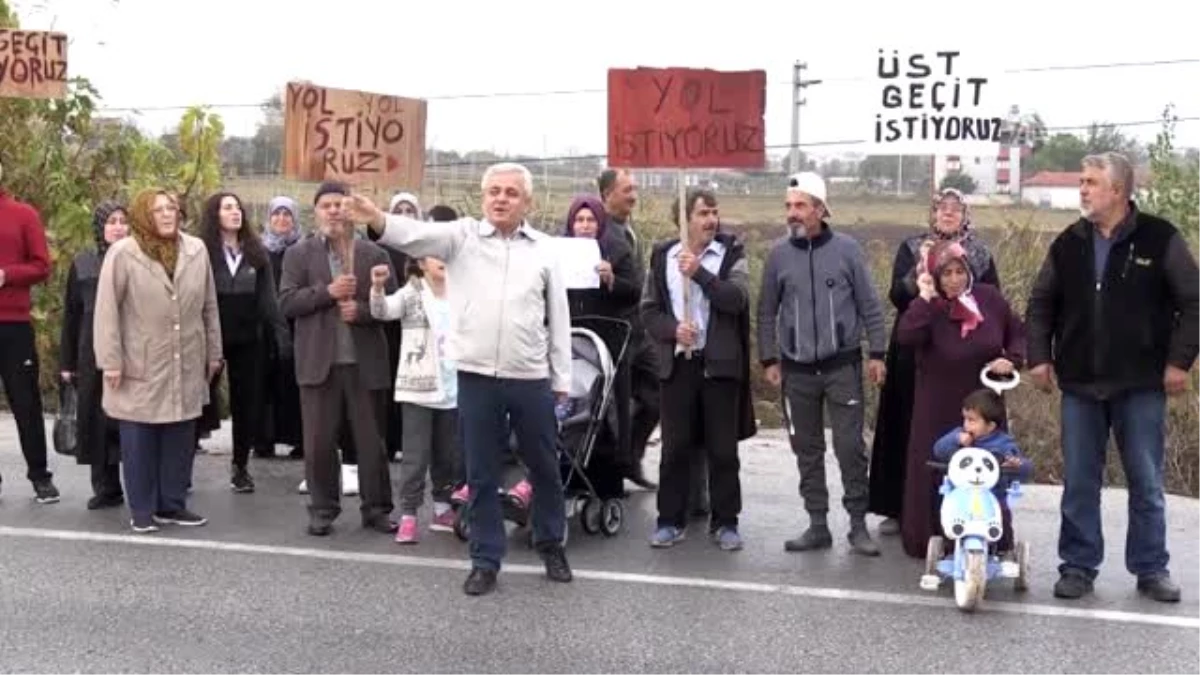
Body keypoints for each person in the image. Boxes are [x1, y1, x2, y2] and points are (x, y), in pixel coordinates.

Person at [343, 162, 573, 597]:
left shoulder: (543, 250)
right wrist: (376, 218)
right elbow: (412, 235)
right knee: (482, 474)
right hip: (476, 376)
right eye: (494, 192)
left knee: (544, 467)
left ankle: (550, 544)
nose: (501, 199)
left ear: (528, 202)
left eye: (510, 192)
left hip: (531, 377)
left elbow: (558, 318)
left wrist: (561, 376)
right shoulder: (461, 237)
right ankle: (486, 559)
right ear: (483, 198)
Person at [1026, 151, 1200, 603]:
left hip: (1141, 384)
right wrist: (1038, 358)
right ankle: (1078, 567)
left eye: (1090, 182)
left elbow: (1194, 302)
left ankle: (1151, 568)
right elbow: (1042, 302)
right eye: (1081, 181)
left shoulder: (1160, 238)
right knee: (1081, 481)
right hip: (1080, 385)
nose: (1082, 189)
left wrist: (1179, 362)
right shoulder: (1069, 242)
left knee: (1145, 480)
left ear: (1118, 191)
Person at [757, 172, 887, 557]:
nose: (792, 213)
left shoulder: (847, 250)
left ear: (820, 209)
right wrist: (769, 358)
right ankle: (817, 524)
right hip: (796, 371)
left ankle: (858, 525)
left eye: (800, 205)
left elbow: (869, 305)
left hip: (841, 368)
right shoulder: (779, 253)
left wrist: (877, 353)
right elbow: (767, 311)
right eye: (788, 206)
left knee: (849, 447)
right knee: (806, 448)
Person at [868, 188, 1000, 536]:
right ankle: (899, 507)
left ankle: (967, 505)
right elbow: (897, 296)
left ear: (965, 214)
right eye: (942, 208)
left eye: (955, 209)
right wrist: (918, 273)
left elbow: (993, 301)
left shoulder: (979, 253)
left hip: (963, 350)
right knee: (908, 423)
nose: (948, 213)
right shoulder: (912, 247)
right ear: (932, 213)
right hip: (917, 344)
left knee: (965, 427)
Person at [93, 188, 223, 533]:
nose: (167, 214)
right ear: (143, 216)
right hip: (141, 357)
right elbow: (106, 311)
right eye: (158, 210)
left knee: (180, 433)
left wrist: (214, 352)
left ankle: (172, 504)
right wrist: (111, 360)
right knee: (140, 436)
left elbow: (210, 306)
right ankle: (142, 509)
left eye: (172, 208)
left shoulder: (197, 250)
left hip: (188, 356)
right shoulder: (123, 253)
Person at [278, 181, 399, 537]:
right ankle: (322, 509)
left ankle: (377, 509)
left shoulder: (374, 254)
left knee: (372, 441)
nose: (333, 210)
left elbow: (392, 307)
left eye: (339, 204)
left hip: (365, 363)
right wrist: (326, 293)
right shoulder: (298, 255)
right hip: (319, 363)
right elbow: (286, 302)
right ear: (315, 212)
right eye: (326, 205)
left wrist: (360, 310)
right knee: (318, 442)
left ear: (351, 210)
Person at [894, 239, 1025, 557]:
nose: (954, 279)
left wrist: (1011, 358)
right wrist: (924, 296)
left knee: (988, 470)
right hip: (937, 404)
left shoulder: (989, 299)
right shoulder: (928, 308)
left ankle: (990, 534)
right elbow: (907, 336)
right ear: (935, 277)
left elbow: (1018, 333)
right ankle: (932, 538)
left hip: (984, 405)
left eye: (960, 271)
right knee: (938, 466)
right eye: (946, 274)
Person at [642, 188, 756, 551]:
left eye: (714, 212)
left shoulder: (730, 253)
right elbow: (648, 311)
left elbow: (736, 300)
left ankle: (725, 522)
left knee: (723, 451)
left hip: (719, 366)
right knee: (675, 449)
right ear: (684, 219)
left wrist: (701, 274)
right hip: (678, 365)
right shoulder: (663, 256)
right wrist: (673, 329)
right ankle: (669, 521)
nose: (711, 220)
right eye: (703, 213)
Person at [198, 192, 291, 493]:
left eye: (238, 207)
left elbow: (268, 299)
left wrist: (280, 334)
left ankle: (240, 466)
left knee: (246, 402)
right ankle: (183, 461)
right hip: (212, 334)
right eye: (227, 208)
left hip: (249, 337)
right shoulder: (203, 252)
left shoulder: (255, 252)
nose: (235, 212)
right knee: (199, 398)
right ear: (215, 215)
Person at [369, 252, 463, 543]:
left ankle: (442, 508)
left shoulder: (462, 289)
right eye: (435, 255)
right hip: (419, 387)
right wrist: (377, 288)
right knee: (416, 455)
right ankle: (408, 513)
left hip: (454, 386)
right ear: (422, 264)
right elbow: (382, 311)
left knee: (447, 454)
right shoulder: (412, 292)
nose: (443, 260)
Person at [560, 194, 642, 499]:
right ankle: (568, 474)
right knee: (571, 410)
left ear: (600, 222)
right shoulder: (559, 251)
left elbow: (634, 292)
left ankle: (608, 483)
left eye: (590, 220)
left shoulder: (617, 250)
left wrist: (612, 280)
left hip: (606, 341)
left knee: (606, 411)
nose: (584, 226)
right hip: (568, 342)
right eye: (579, 220)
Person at [61, 201, 128, 509]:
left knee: (127, 421)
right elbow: (71, 315)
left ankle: (142, 483)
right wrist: (67, 363)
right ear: (100, 227)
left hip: (128, 350)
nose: (117, 226)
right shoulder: (84, 263)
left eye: (122, 221)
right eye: (111, 221)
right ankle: (106, 488)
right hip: (90, 353)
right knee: (96, 420)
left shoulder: (137, 259)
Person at [0, 160, 59, 503]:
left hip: (13, 325)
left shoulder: (23, 214)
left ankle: (40, 477)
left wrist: (7, 275)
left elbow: (42, 266)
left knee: (25, 403)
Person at [598, 168, 658, 490]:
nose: (633, 195)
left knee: (657, 395)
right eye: (626, 190)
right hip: (616, 333)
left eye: (634, 188)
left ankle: (631, 457)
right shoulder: (601, 233)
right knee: (612, 407)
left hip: (638, 330)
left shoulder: (627, 229)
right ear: (608, 194)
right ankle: (615, 465)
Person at [932, 388, 1033, 550]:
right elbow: (939, 450)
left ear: (990, 425)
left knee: (1001, 520)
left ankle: (1003, 549)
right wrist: (955, 439)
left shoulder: (1004, 444)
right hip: (963, 496)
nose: (966, 424)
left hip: (993, 497)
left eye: (972, 420)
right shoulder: (960, 436)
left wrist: (1016, 464)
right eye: (965, 419)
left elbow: (1025, 469)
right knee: (952, 517)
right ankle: (952, 549)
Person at [260, 195, 305, 459]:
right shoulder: (259, 250)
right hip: (266, 326)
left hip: (297, 323)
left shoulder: (303, 249)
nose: (281, 219)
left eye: (287, 214)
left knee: (295, 382)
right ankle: (264, 438)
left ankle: (297, 438)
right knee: (264, 382)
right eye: (276, 214)